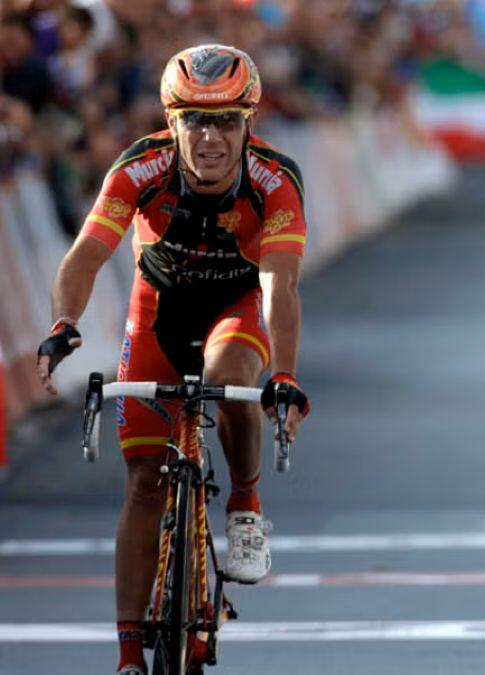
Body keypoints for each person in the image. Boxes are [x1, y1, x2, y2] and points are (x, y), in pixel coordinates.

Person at [34, 44, 312, 675]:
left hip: (236, 305)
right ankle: (130, 653)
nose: (210, 138)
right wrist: (64, 324)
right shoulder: (142, 166)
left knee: (229, 376)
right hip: (158, 309)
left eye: (226, 121)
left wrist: (284, 376)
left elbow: (281, 287)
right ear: (171, 120)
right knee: (143, 481)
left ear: (249, 122)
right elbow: (86, 255)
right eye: (195, 121)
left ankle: (245, 505)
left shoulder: (275, 179)